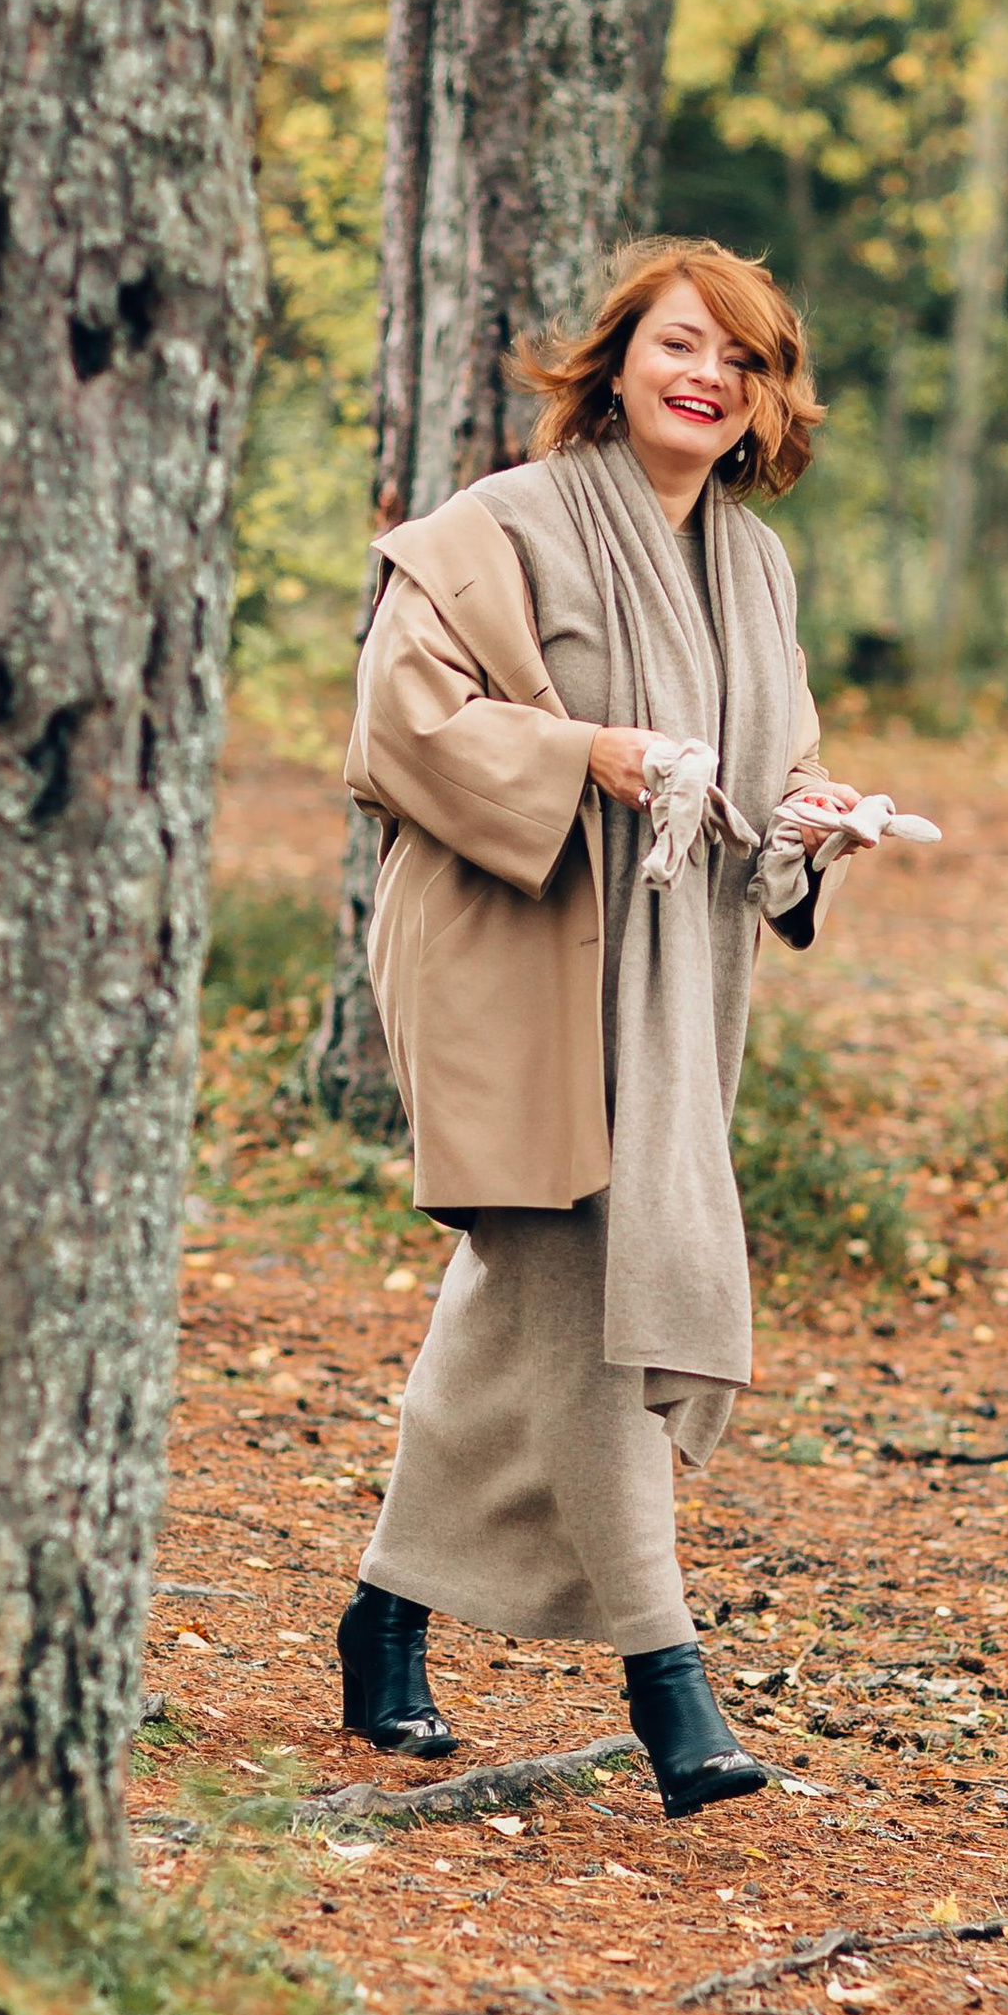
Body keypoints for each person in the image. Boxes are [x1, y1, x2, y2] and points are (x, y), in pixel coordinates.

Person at [335, 236, 894, 1818]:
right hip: (520, 950)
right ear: (619, 359)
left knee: (531, 1278)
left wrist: (814, 826)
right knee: (588, 1293)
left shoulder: (754, 564)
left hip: (675, 976)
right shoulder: (498, 527)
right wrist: (592, 755)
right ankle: (672, 1689)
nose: (710, 377)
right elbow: (403, 721)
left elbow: (759, 787)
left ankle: (383, 1617)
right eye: (683, 344)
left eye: (746, 360)